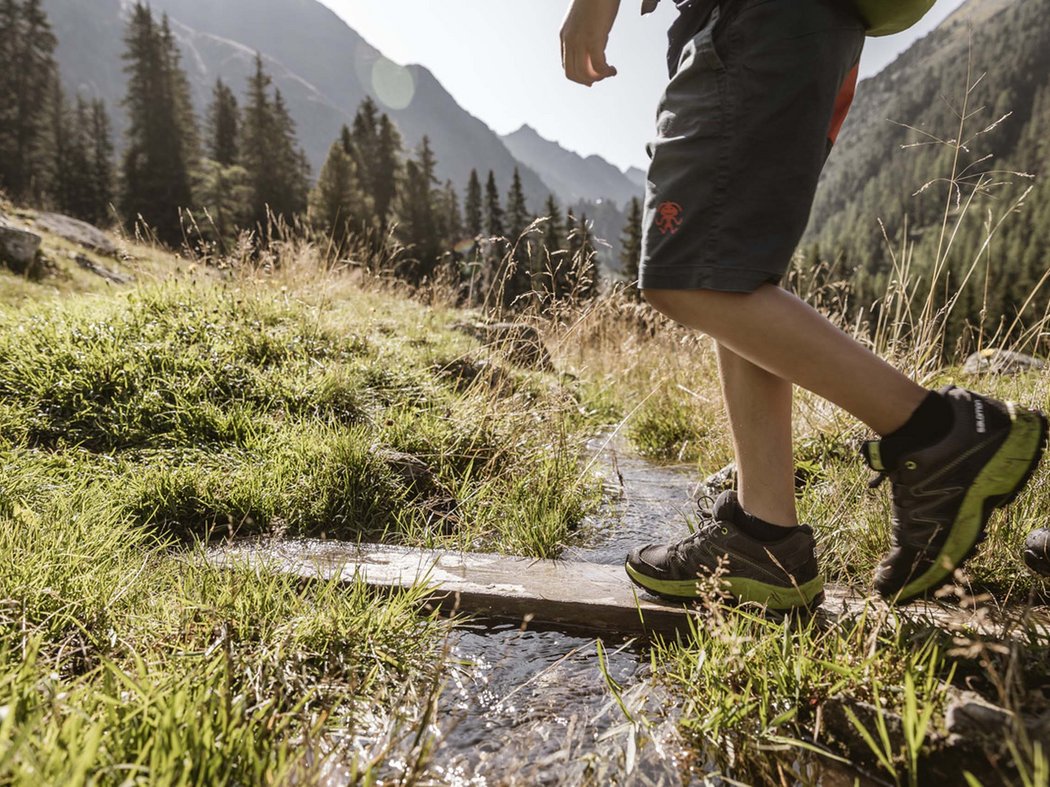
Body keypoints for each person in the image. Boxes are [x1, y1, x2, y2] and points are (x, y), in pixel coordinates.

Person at [559, 0, 1048, 610]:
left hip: (754, 23)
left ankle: (938, 433)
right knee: (730, 274)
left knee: (685, 276)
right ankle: (764, 537)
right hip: (799, 29)